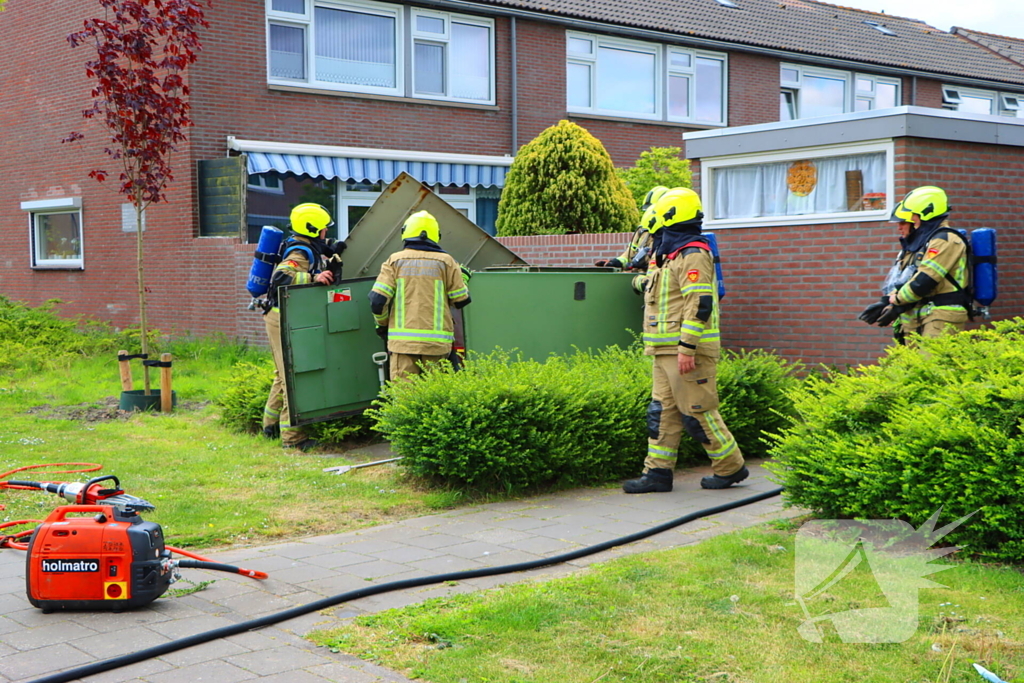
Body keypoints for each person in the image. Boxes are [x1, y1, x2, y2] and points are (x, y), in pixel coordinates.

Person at [622, 188, 747, 494]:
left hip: (686, 351)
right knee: (661, 412)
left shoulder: (693, 254)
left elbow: (699, 303)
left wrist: (687, 348)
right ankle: (657, 473)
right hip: (663, 349)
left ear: (671, 217)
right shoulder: (670, 254)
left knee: (698, 412)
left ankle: (730, 467)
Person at [262, 203, 343, 452]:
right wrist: (313, 277)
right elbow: (281, 278)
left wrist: (333, 251)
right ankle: (293, 439)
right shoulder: (299, 252)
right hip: (282, 318)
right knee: (291, 377)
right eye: (323, 229)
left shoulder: (306, 246)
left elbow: (322, 248)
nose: (325, 232)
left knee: (281, 374)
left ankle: (270, 426)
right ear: (312, 229)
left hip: (279, 316)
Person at [369, 210, 471, 382]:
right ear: (436, 235)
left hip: (402, 346)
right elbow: (461, 300)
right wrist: (464, 278)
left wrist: (382, 324)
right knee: (435, 396)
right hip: (437, 347)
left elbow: (377, 301)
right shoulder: (447, 262)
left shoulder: (395, 261)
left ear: (405, 232)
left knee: (405, 396)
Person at [859, 186, 969, 342]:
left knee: (930, 358)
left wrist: (897, 302)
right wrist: (886, 302)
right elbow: (907, 280)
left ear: (926, 212)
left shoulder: (945, 240)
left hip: (940, 315)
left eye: (912, 216)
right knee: (908, 358)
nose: (910, 219)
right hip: (918, 314)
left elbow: (925, 280)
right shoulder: (922, 243)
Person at [594, 186, 669, 270]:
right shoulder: (642, 230)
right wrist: (616, 262)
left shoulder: (669, 234)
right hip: (637, 275)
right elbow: (629, 254)